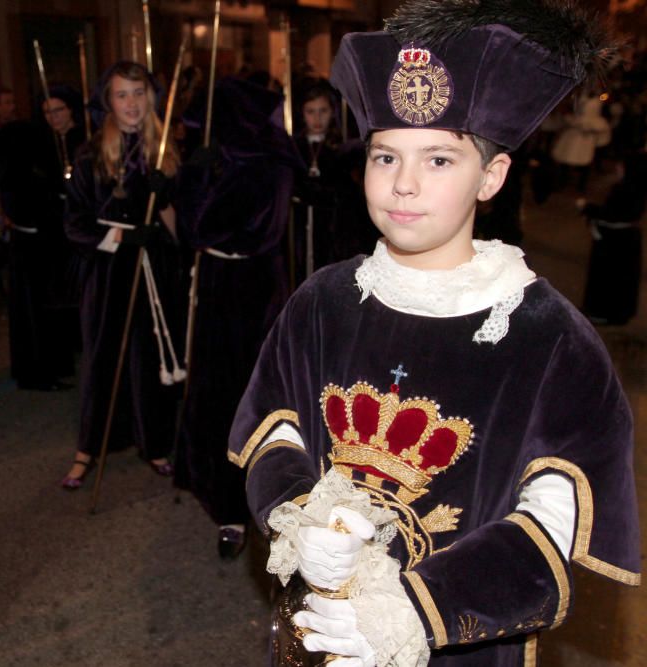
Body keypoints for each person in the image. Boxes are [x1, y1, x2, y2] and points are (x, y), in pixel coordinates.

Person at [229, 2, 640, 665]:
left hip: (459, 645)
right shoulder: (321, 302)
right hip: (326, 624)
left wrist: (413, 614)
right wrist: (301, 513)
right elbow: (275, 427)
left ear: (493, 175)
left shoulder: (551, 339)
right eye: (385, 155)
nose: (405, 184)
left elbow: (554, 523)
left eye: (441, 160)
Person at [173, 78, 296, 558]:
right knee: (215, 397)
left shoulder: (268, 166)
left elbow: (203, 227)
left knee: (250, 403)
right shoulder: (236, 161)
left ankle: (262, 504)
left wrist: (195, 182)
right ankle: (225, 504)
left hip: (251, 299)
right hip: (220, 291)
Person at [61, 61, 183, 488]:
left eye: (138, 93)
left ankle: (154, 443)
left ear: (150, 97)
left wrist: (165, 197)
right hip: (110, 269)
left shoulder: (166, 149)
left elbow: (180, 225)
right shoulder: (92, 153)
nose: (131, 103)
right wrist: (116, 233)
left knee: (151, 358)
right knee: (103, 355)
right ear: (107, 102)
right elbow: (74, 221)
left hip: (156, 264)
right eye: (121, 95)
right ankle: (88, 448)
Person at [0, 84, 83, 390]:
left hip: (75, 235)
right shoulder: (37, 141)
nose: (53, 117)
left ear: (71, 110)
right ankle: (47, 364)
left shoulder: (83, 140)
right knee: (44, 302)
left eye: (58, 110)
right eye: (47, 112)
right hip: (47, 234)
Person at [290, 80, 376, 281]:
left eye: (323, 111)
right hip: (300, 225)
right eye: (310, 112)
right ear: (302, 114)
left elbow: (347, 193)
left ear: (333, 112)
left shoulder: (343, 149)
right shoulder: (294, 148)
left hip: (333, 226)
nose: (317, 118)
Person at [580, 150, 645, 325]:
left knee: (609, 277)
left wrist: (589, 209)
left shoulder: (626, 188)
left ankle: (603, 312)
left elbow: (614, 214)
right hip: (627, 239)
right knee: (623, 278)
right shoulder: (637, 187)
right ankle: (619, 312)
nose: (618, 167)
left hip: (614, 241)